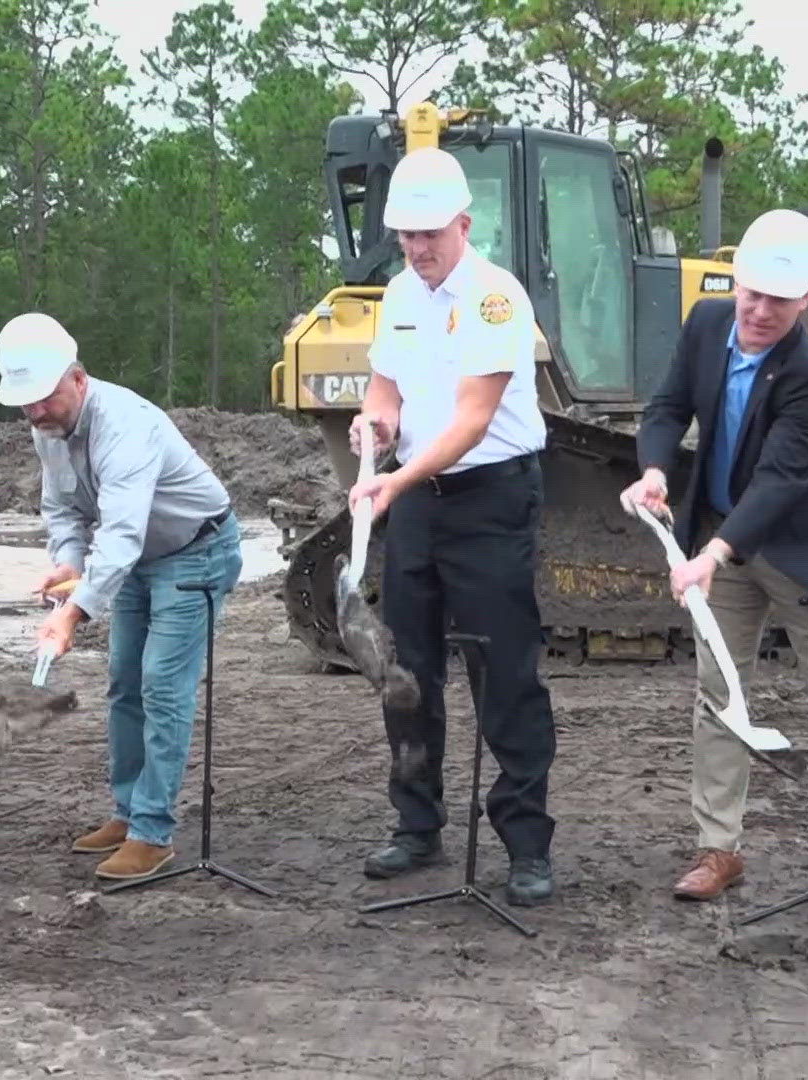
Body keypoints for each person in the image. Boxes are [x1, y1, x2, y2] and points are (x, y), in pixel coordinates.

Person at [623, 208, 808, 910]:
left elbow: (779, 480)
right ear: (736, 283)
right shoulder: (707, 325)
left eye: (779, 300)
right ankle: (719, 848)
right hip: (721, 541)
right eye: (752, 292)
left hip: (801, 550)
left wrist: (714, 551)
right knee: (719, 695)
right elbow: (665, 407)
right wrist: (655, 469)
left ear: (805, 302)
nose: (760, 310)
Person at [346, 146, 557, 907]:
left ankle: (526, 842)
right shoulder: (399, 294)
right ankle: (416, 824)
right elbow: (385, 384)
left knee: (505, 674)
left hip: (489, 500)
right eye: (404, 233)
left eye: (429, 233)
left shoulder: (497, 298)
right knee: (406, 672)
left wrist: (391, 480)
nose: (416, 246)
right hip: (417, 508)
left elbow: (473, 419)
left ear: (464, 223)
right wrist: (376, 426)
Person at [0, 312, 243, 882]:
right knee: (124, 681)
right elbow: (61, 508)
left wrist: (73, 613)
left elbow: (122, 533)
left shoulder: (125, 425)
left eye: (44, 399)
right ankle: (129, 811)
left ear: (78, 379)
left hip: (196, 549)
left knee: (162, 685)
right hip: (139, 561)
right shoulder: (47, 428)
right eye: (25, 404)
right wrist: (67, 562)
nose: (34, 413)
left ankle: (153, 834)